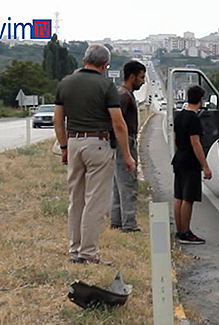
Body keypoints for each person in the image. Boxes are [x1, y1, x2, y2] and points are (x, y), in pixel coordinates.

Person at [53, 44, 136, 264]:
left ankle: (75, 249)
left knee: (76, 199)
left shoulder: (65, 83)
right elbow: (118, 123)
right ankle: (88, 253)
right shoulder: (106, 85)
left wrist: (63, 147)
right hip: (98, 143)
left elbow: (58, 119)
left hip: (73, 143)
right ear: (105, 64)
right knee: (95, 201)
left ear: (84, 60)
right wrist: (126, 155)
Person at [172, 85, 212, 245]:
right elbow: (196, 143)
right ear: (201, 99)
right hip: (190, 161)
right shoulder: (194, 118)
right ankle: (186, 232)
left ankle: (179, 229)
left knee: (179, 196)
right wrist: (205, 166)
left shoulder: (180, 115)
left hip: (179, 158)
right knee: (188, 198)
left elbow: (175, 138)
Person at [110, 60, 146, 233]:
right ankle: (129, 224)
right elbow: (117, 122)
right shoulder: (124, 96)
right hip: (125, 142)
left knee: (118, 184)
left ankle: (117, 221)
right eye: (141, 77)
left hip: (120, 142)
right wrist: (126, 152)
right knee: (128, 184)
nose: (144, 81)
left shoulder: (121, 93)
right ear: (132, 76)